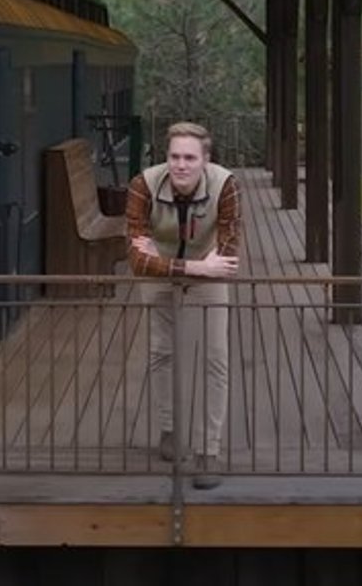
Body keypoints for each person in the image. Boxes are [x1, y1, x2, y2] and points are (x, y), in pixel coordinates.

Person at [125, 121, 241, 490]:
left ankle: (209, 450)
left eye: (190, 157)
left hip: (209, 275)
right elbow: (136, 260)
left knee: (215, 357)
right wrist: (193, 265)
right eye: (175, 156)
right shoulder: (143, 184)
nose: (181, 165)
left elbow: (229, 253)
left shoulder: (226, 185)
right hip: (171, 272)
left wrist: (201, 266)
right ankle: (170, 430)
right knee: (161, 352)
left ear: (205, 160)